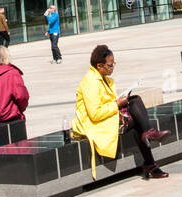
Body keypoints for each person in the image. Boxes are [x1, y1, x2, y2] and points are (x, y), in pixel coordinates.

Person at [72, 45, 169, 180]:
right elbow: (94, 114)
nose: (113, 68)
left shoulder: (103, 78)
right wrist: (117, 104)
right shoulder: (91, 82)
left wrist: (118, 101)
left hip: (106, 119)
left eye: (113, 64)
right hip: (95, 125)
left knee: (135, 101)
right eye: (110, 65)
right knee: (136, 116)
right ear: (99, 66)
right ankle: (150, 155)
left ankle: (150, 151)